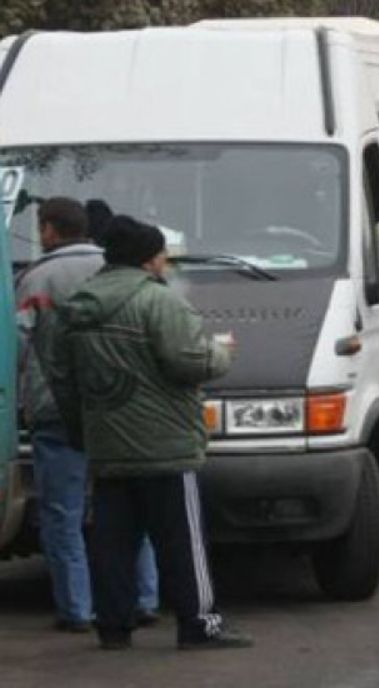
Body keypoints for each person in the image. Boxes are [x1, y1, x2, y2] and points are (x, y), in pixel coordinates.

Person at [50, 215, 252, 651]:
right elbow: (189, 362)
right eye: (162, 254)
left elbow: (62, 379)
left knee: (112, 543)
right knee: (183, 543)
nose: (165, 262)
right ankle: (200, 624)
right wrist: (221, 352)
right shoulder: (160, 303)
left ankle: (113, 626)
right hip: (167, 446)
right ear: (148, 260)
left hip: (107, 446)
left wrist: (83, 432)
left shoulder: (77, 306)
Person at [15, 198, 160, 632]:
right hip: (122, 407)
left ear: (49, 230)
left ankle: (76, 609)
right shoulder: (120, 271)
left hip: (56, 410)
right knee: (132, 507)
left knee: (63, 513)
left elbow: (18, 344)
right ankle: (144, 598)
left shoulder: (36, 278)